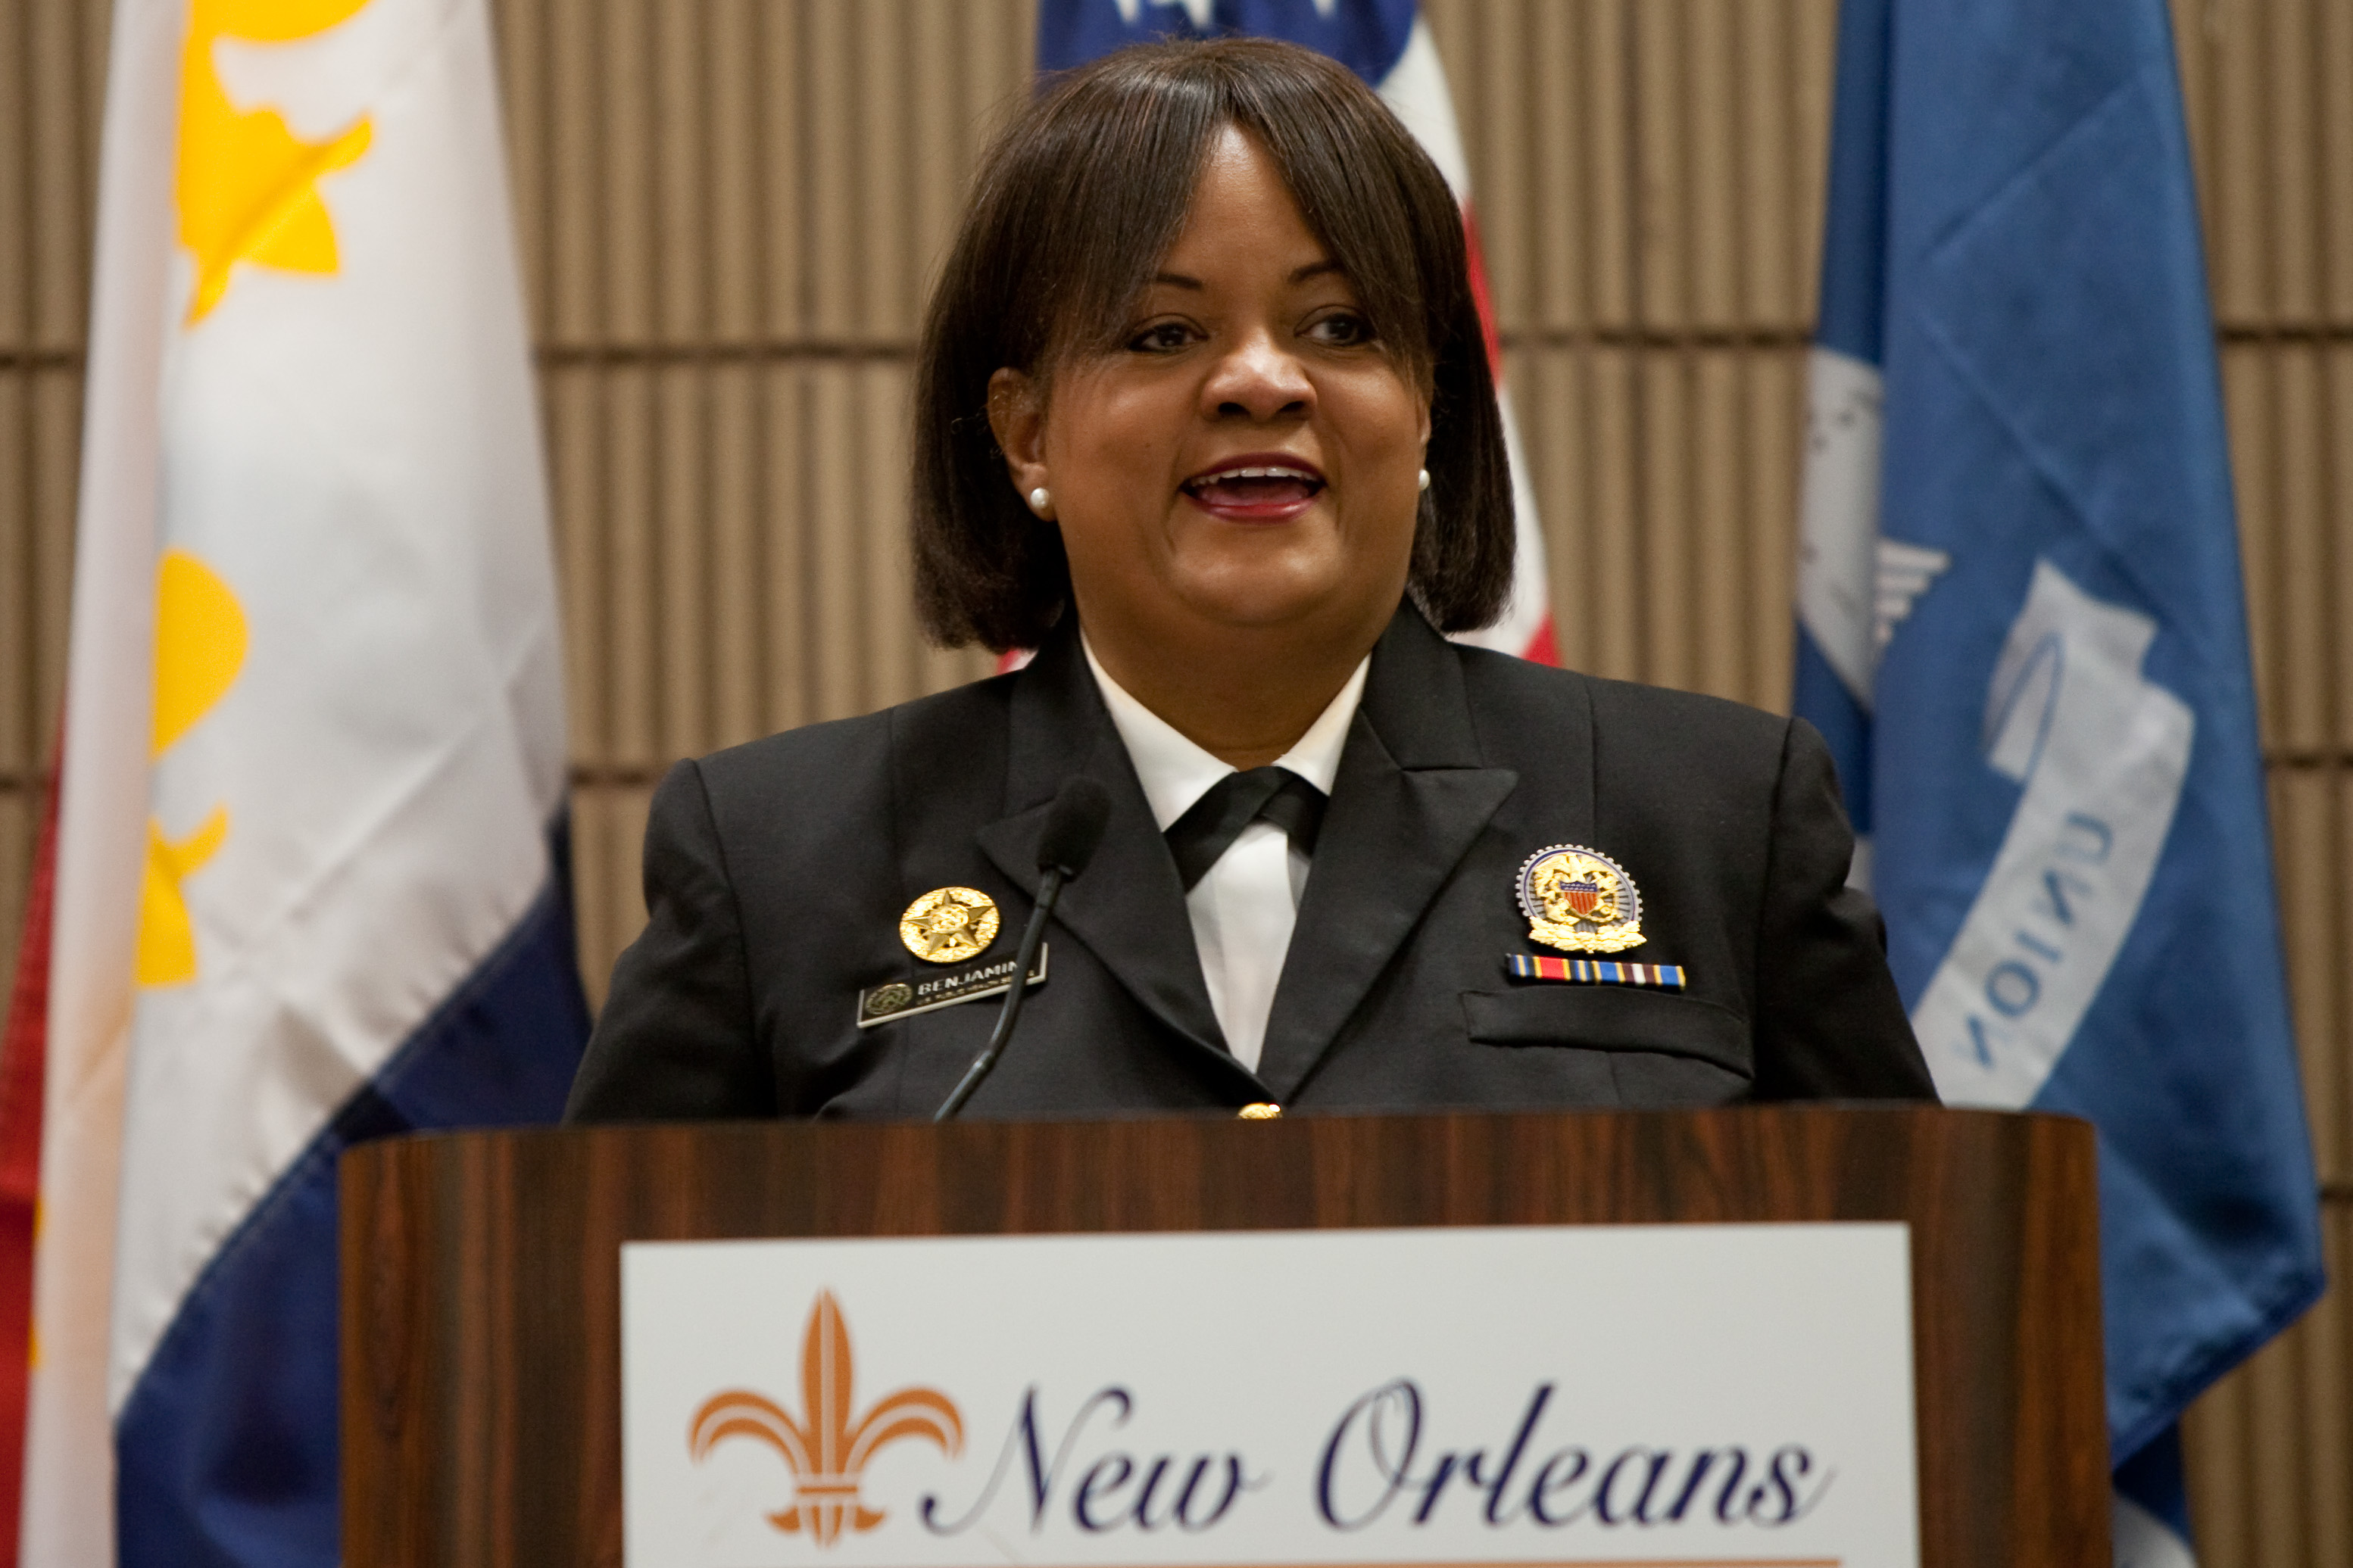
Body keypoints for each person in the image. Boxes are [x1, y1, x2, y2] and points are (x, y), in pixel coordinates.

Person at [565, 37, 1935, 1121]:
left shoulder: (1710, 824)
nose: (1262, 381)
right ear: (1025, 431)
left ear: (1431, 405)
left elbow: (1914, 1314)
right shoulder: (782, 863)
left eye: (1339, 326)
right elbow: (599, 1347)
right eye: (1164, 333)